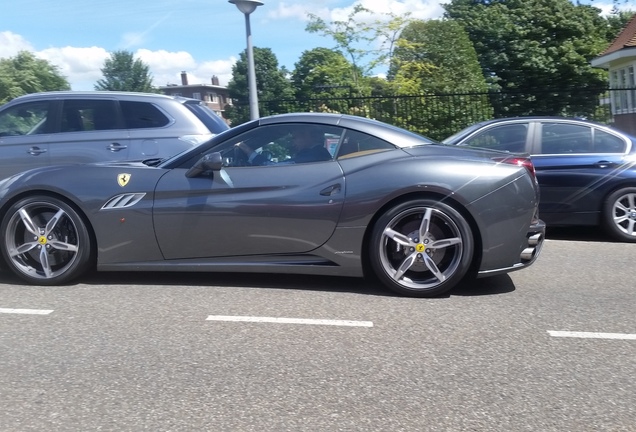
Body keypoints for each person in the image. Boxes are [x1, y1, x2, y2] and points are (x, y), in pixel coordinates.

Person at [236, 125, 332, 165]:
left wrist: (246, 149)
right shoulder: (318, 153)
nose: (293, 142)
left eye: (295, 138)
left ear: (307, 136)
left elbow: (273, 168)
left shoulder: (312, 155)